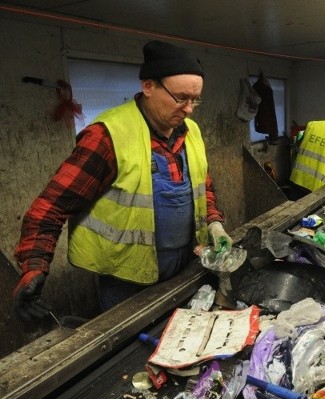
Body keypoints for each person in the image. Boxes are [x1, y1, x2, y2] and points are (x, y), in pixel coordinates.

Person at [13, 40, 233, 320]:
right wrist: (34, 267)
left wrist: (214, 222)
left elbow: (203, 188)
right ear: (148, 86)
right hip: (127, 283)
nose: (189, 109)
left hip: (187, 268)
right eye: (180, 98)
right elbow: (50, 207)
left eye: (195, 100)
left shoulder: (191, 131)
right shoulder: (107, 136)